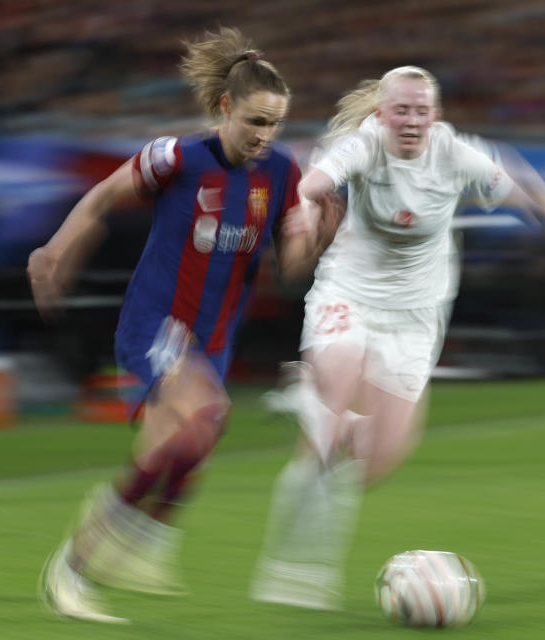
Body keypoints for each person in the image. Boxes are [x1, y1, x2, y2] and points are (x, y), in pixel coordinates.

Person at [251, 66, 545, 610]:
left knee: (374, 464)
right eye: (401, 110)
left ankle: (314, 407)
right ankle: (296, 557)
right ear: (382, 115)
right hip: (350, 295)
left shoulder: (461, 157)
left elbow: (535, 199)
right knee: (335, 386)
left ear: (436, 117)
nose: (411, 120)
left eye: (422, 111)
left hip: (418, 317)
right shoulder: (363, 146)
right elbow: (315, 182)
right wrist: (300, 214)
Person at [30, 27, 328, 624]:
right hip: (156, 328)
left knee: (182, 453)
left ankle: (131, 538)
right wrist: (58, 247)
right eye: (255, 122)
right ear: (225, 107)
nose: (265, 136)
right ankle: (73, 568)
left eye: (275, 124)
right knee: (204, 421)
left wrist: (311, 235)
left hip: (212, 341)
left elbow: (293, 270)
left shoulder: (282, 174)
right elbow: (100, 198)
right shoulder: (177, 158)